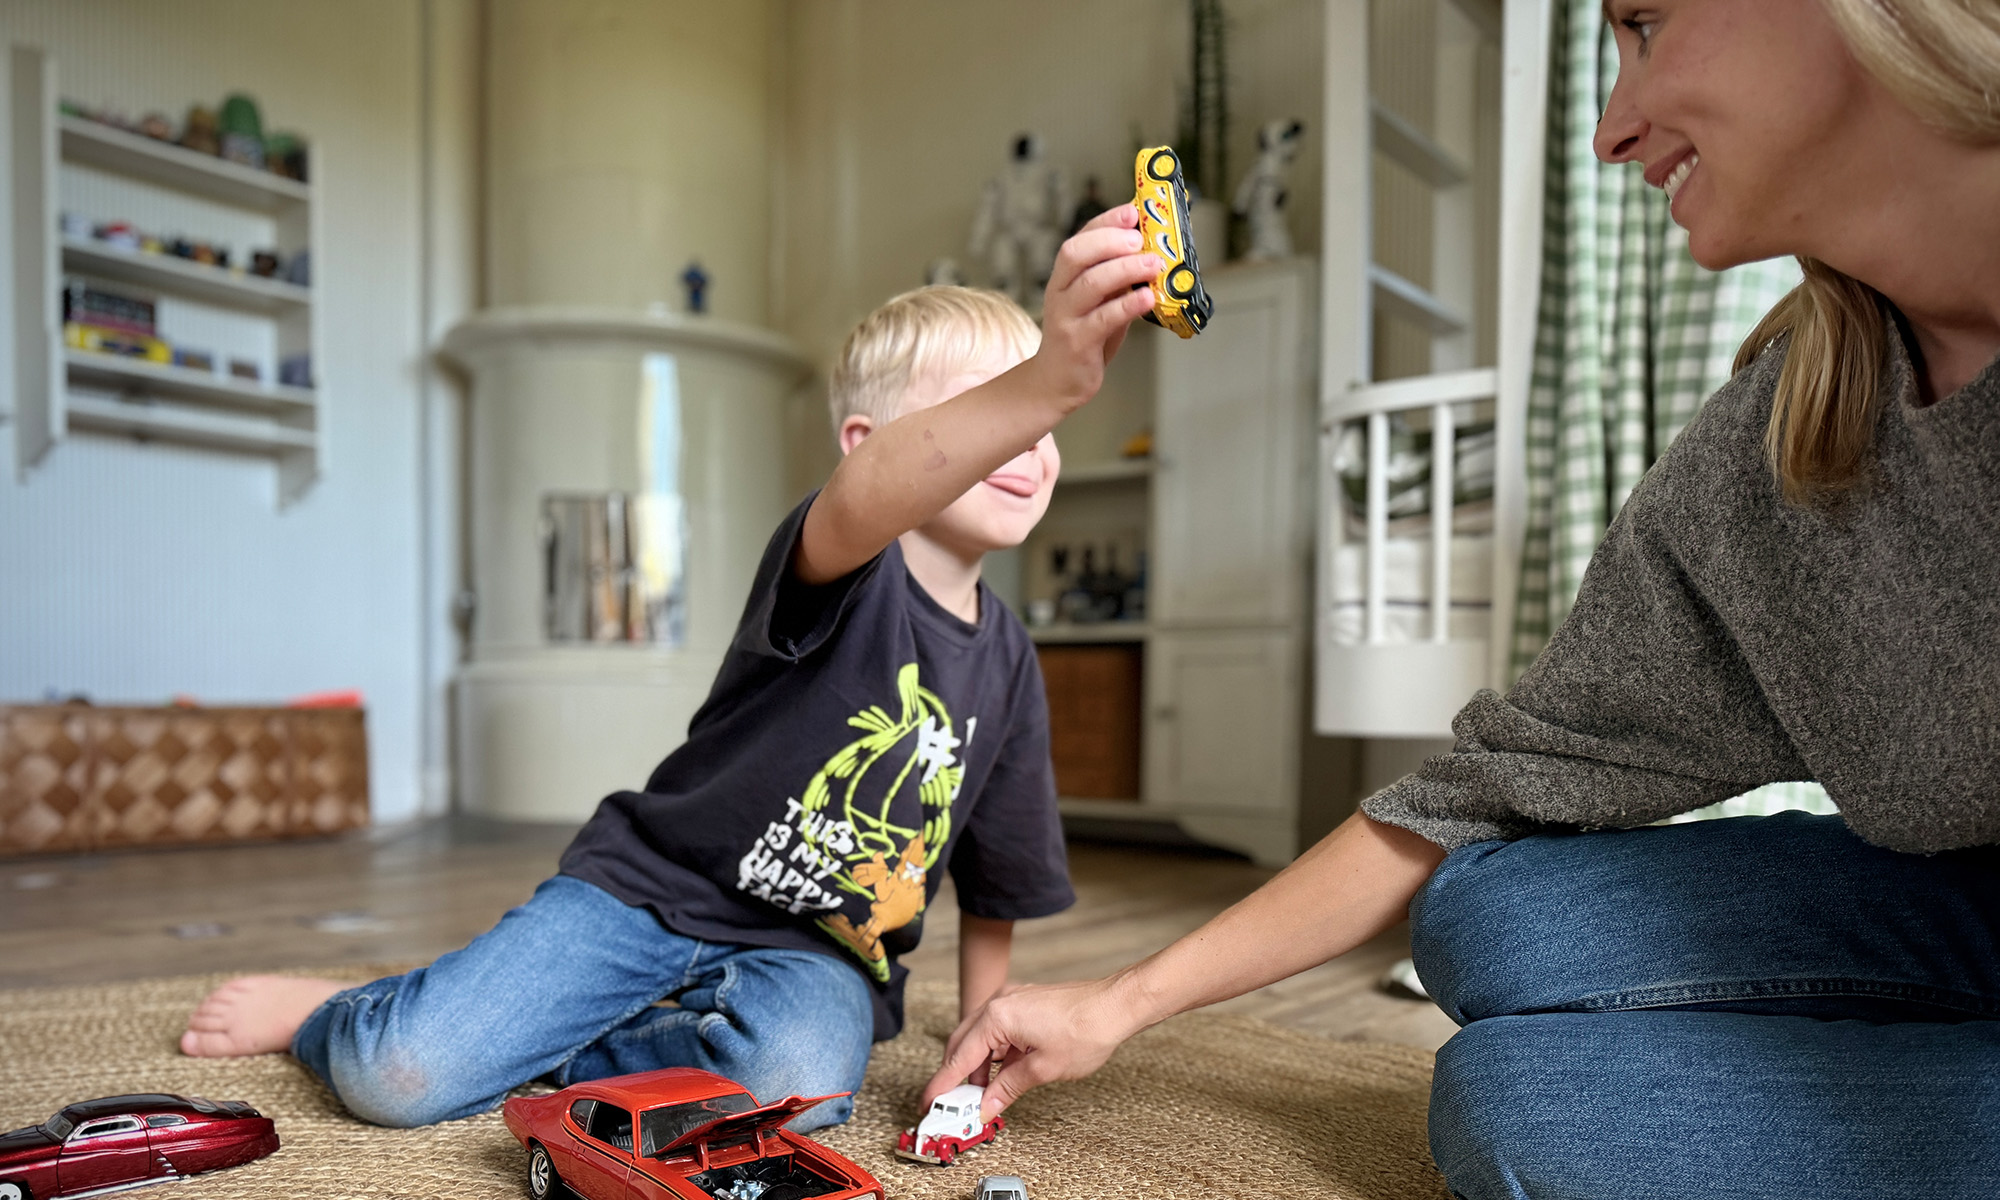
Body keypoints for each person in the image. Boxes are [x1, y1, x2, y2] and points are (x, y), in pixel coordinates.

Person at [925, 1, 2000, 1196]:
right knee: (1489, 934)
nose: (1608, 131)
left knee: (1542, 1122)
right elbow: (1481, 785)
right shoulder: (1785, 440)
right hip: (1966, 901)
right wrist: (1123, 1002)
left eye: (1644, 24)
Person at [179, 207, 1167, 1132]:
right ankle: (342, 1011)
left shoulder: (1009, 664)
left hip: (813, 955)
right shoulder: (842, 557)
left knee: (800, 1088)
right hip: (647, 892)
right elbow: (869, 495)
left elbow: (998, 879)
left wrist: (980, 1028)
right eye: (991, 414)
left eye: (1041, 428)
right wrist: (1045, 380)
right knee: (393, 1077)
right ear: (870, 444)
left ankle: (539, 1041)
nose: (1025, 442)